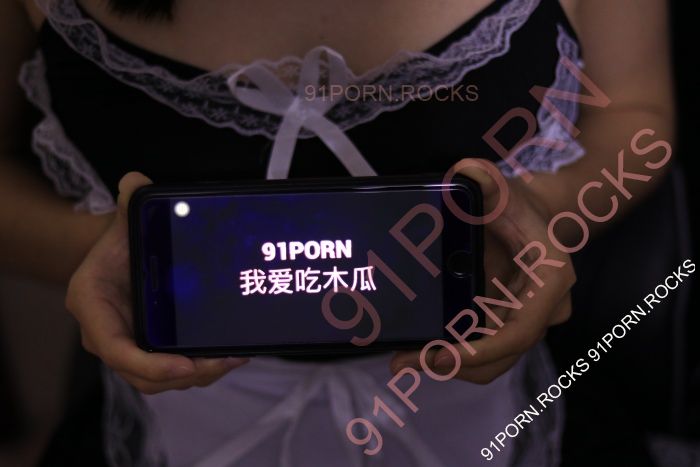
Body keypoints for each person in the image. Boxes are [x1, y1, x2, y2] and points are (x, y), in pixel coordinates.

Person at [0, 0, 675, 465]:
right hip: (178, 429)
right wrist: (108, 258)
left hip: (499, 421)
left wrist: (537, 216)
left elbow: (637, 112)